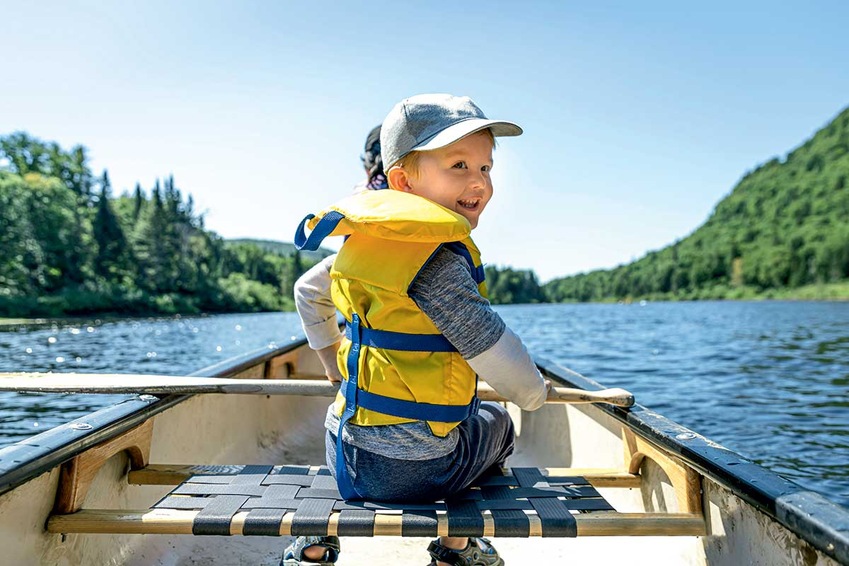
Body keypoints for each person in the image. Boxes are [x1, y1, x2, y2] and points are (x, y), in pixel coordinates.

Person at [285, 94, 549, 566]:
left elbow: (309, 290)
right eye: (460, 165)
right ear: (404, 181)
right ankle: (457, 549)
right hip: (413, 470)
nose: (479, 182)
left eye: (486, 169)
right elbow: (509, 370)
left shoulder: (360, 244)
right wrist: (535, 394)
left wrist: (331, 364)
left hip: (342, 450)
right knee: (500, 424)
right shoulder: (436, 261)